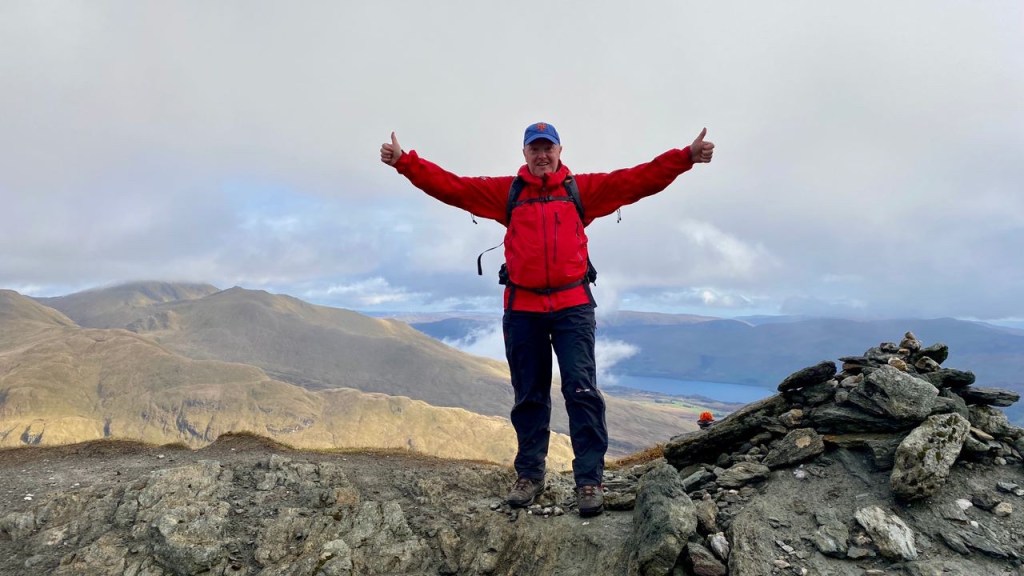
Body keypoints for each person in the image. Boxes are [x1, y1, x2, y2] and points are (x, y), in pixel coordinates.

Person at [380, 122, 714, 517]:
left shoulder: (580, 190)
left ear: (559, 151)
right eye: (534, 149)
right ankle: (529, 475)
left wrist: (685, 157)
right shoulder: (508, 193)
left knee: (582, 392)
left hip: (573, 308)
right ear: (525, 153)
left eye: (548, 148)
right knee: (529, 395)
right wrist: (405, 162)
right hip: (523, 310)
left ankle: (589, 481)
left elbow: (636, 180)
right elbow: (453, 187)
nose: (542, 155)